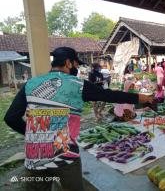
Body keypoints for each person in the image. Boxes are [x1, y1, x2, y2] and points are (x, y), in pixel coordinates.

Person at [4, 47, 153, 191]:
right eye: (76, 64)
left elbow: (10, 118)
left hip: (34, 156)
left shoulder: (30, 84)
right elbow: (110, 95)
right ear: (68, 63)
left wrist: (35, 136)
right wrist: (142, 97)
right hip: (64, 156)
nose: (76, 68)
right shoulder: (78, 85)